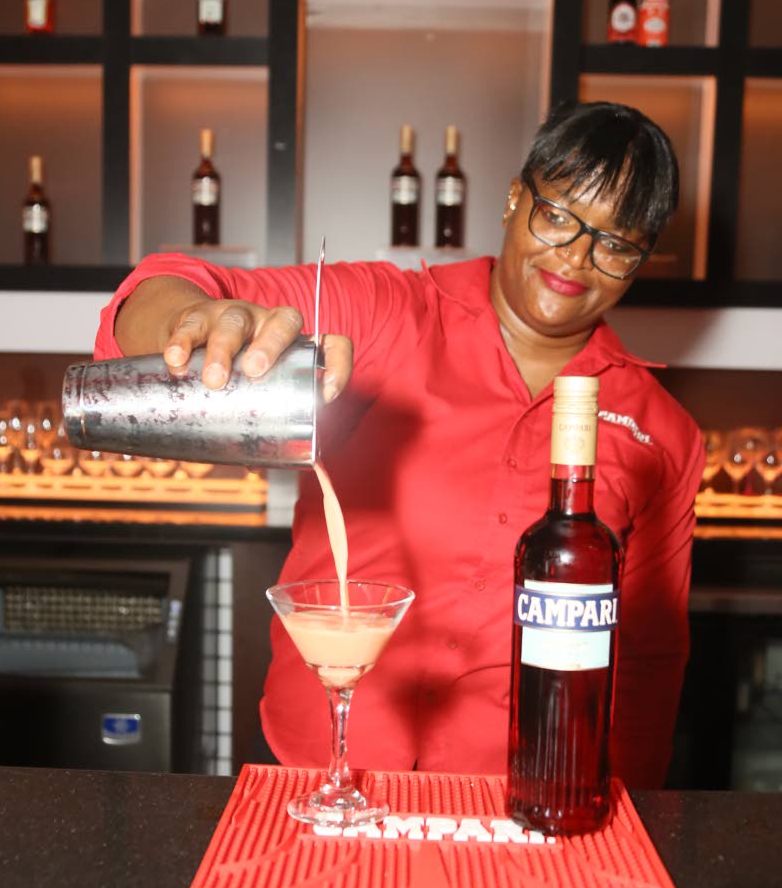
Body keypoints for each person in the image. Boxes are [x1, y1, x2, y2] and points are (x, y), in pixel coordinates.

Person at [95, 99, 705, 789]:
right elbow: (174, 285)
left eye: (616, 243)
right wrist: (193, 318)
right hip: (319, 773)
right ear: (514, 199)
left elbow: (649, 662)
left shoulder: (663, 434)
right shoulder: (391, 313)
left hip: (518, 799)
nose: (577, 257)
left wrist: (631, 817)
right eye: (559, 215)